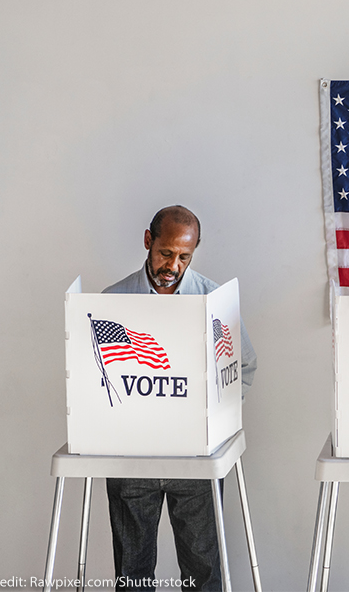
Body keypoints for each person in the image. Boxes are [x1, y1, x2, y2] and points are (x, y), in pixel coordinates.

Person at [103, 205, 257, 591]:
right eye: (165, 253)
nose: (173, 264)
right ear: (147, 241)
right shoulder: (111, 300)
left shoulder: (214, 300)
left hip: (195, 456)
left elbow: (245, 366)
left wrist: (217, 417)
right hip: (131, 458)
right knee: (131, 572)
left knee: (203, 570)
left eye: (184, 256)